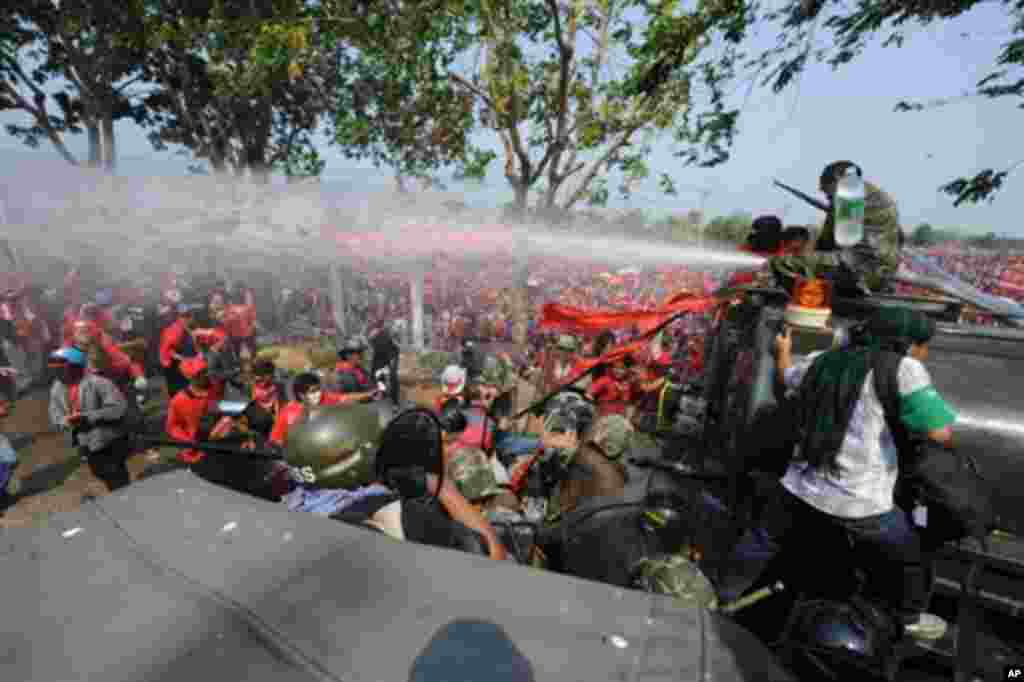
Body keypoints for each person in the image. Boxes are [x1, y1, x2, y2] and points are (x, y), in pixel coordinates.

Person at [719, 307, 956, 641]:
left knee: (761, 540)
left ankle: (722, 597)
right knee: (909, 557)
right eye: (922, 344)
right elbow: (939, 433)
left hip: (800, 489)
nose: (924, 352)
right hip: (860, 503)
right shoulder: (905, 369)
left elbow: (787, 378)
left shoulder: (823, 359)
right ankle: (909, 618)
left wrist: (782, 352)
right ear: (905, 343)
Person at [770, 161, 902, 293]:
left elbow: (827, 242)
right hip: (882, 272)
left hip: (859, 271)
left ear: (838, 177)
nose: (823, 192)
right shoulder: (880, 197)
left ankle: (814, 301)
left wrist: (807, 257)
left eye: (825, 186)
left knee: (783, 262)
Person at [48, 346, 133, 492]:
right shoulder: (57, 388)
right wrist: (65, 421)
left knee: (116, 475)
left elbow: (118, 408)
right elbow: (55, 415)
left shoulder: (99, 382)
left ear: (75, 367)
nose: (57, 373)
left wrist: (88, 417)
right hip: (86, 441)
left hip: (109, 439)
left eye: (61, 369)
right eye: (55, 370)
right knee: (99, 472)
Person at [269, 372, 376, 447]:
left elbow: (345, 397)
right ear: (301, 395)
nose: (318, 394)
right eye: (313, 391)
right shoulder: (287, 412)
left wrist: (369, 395)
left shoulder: (325, 398)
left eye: (319, 389)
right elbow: (275, 439)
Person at [159, 304, 199, 398]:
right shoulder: (176, 329)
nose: (189, 318)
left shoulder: (185, 328)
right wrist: (183, 359)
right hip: (173, 365)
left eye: (188, 315)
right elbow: (167, 350)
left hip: (178, 364)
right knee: (178, 392)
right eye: (184, 316)